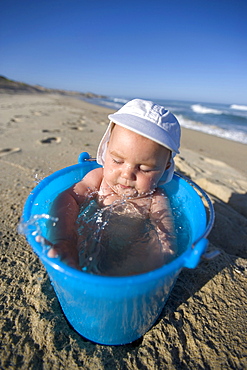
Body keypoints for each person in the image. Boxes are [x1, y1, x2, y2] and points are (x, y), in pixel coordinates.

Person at [37, 99, 181, 275]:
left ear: (165, 168)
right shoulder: (98, 179)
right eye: (117, 160)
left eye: (145, 168)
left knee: (146, 261)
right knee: (72, 252)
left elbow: (164, 233)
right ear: (106, 150)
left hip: (130, 253)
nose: (127, 174)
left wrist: (163, 255)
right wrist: (65, 237)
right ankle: (68, 252)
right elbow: (69, 197)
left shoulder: (155, 197)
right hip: (86, 241)